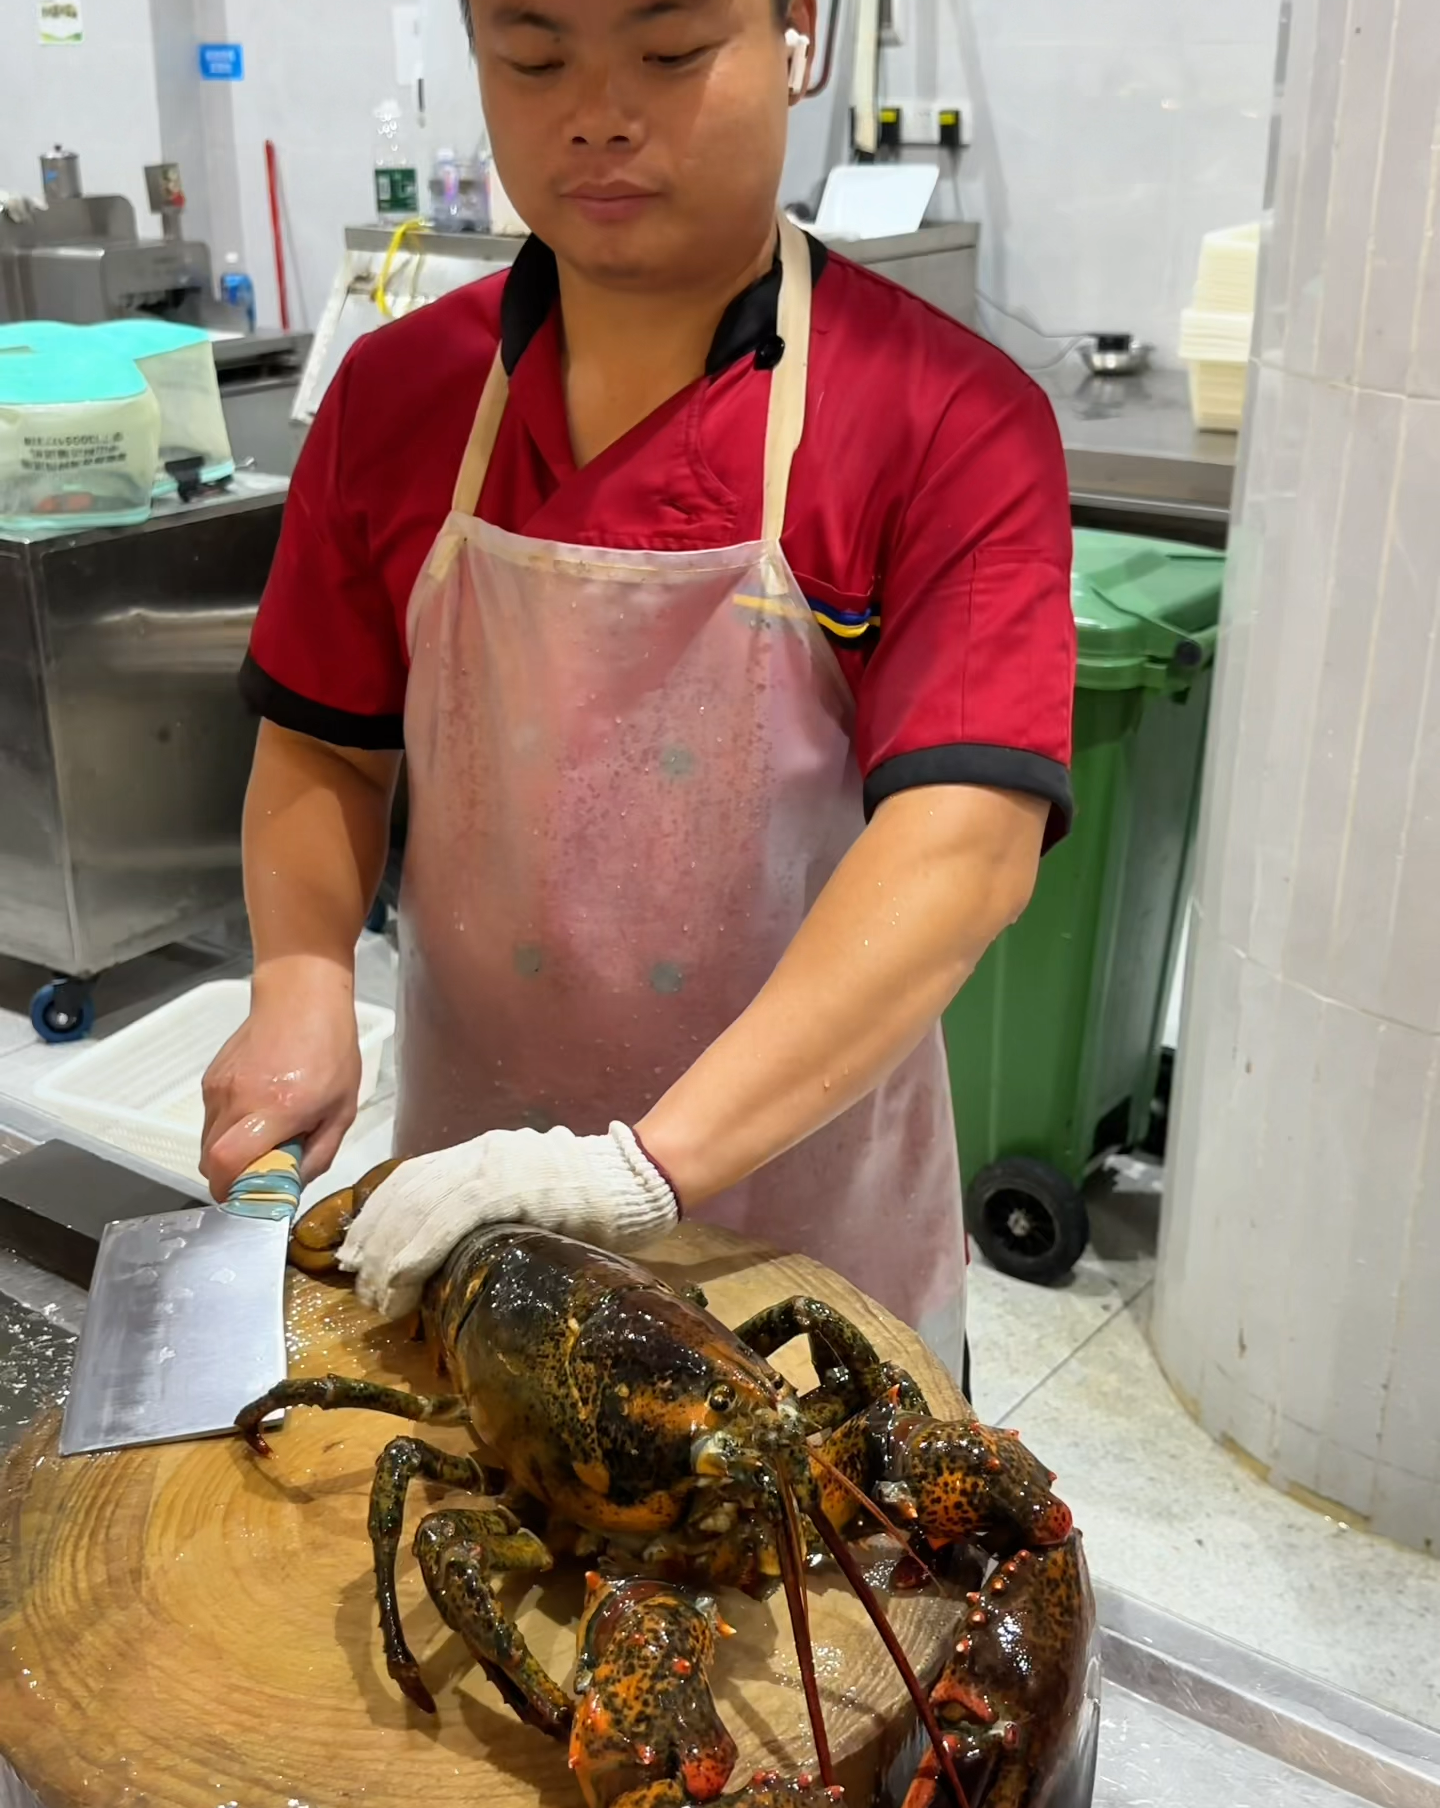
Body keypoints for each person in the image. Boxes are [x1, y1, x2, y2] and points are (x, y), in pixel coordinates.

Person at [202, 0, 1076, 1381]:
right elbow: (325, 748)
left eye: (671, 53)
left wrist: (641, 1173)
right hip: (467, 1238)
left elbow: (963, 848)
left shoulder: (944, 418)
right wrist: (302, 977)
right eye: (534, 55)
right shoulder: (397, 397)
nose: (599, 112)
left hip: (808, 1252)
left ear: (798, 32)